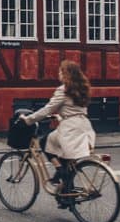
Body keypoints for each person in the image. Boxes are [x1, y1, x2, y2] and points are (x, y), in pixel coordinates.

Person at [19, 60, 95, 202]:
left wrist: (28, 119)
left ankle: (59, 171)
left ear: (66, 74)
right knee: (67, 158)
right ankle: (66, 195)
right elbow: (75, 110)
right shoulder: (82, 88)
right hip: (84, 126)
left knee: (44, 142)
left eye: (60, 71)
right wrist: (60, 115)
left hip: (70, 128)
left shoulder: (63, 90)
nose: (58, 74)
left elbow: (47, 109)